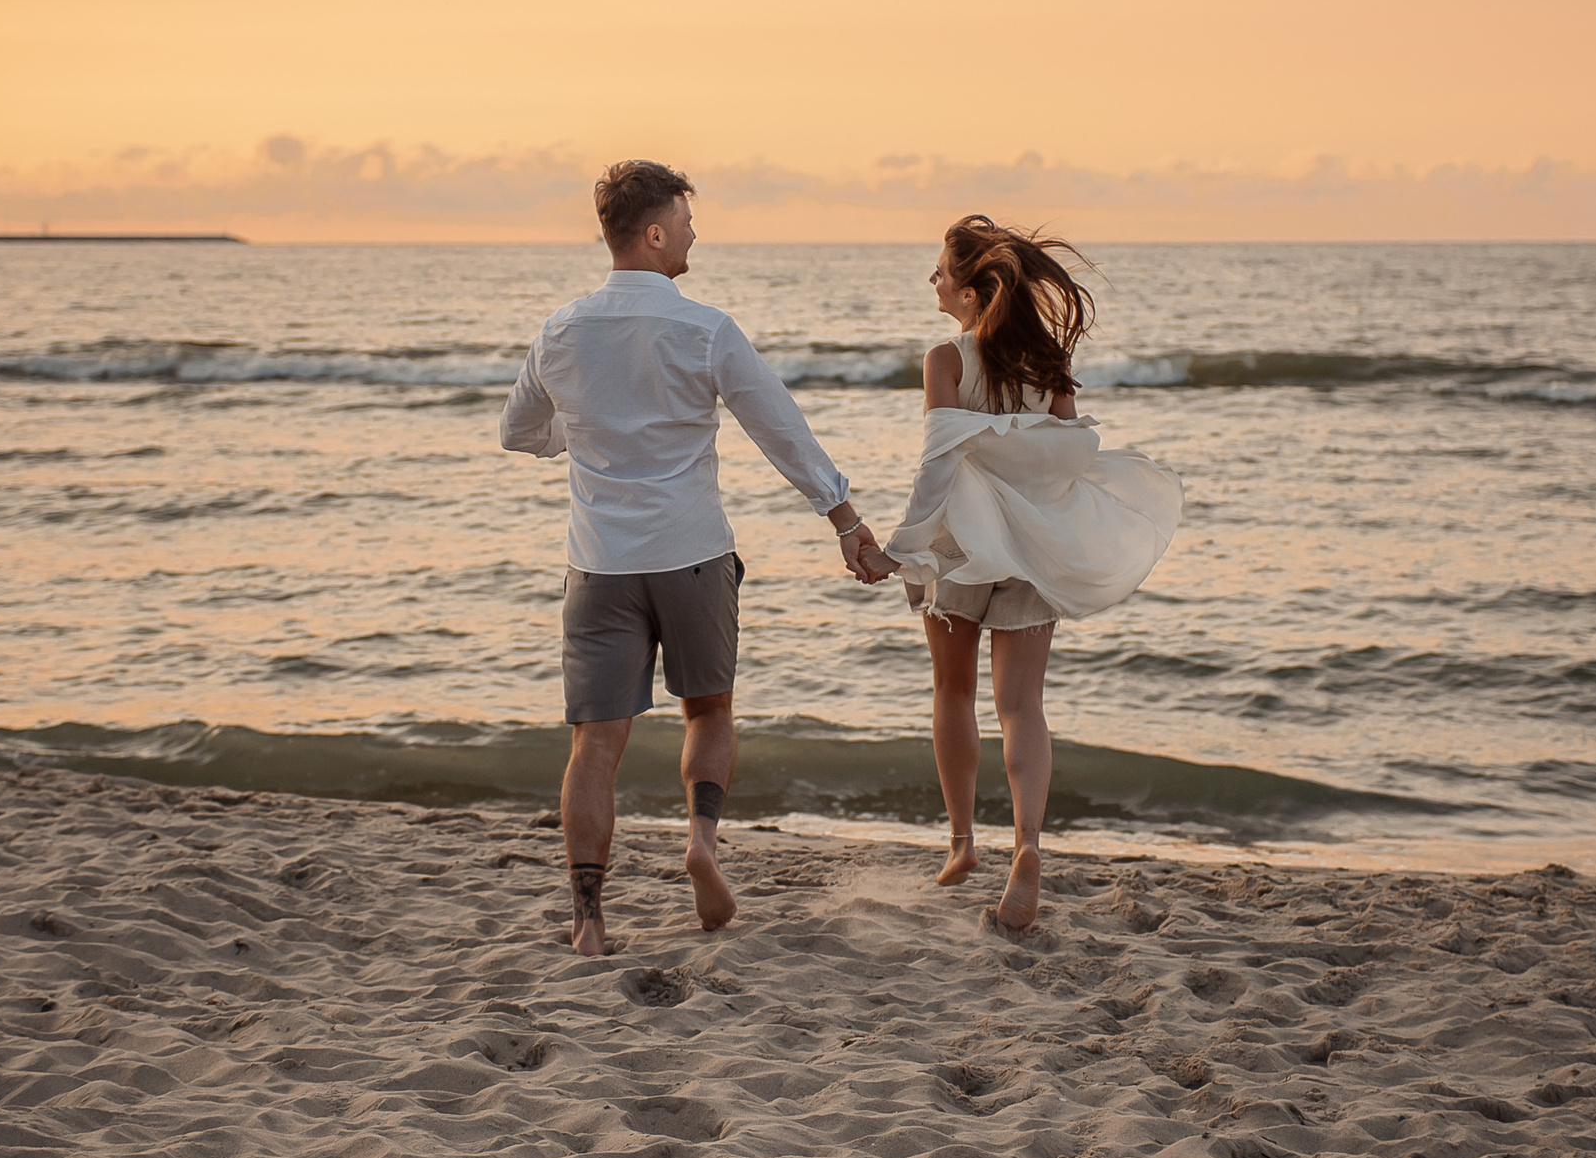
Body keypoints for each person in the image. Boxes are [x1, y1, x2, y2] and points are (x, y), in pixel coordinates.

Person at [502, 160, 888, 956]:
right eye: (683, 220)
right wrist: (844, 518)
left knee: (594, 744)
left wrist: (583, 431)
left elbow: (517, 430)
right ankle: (702, 843)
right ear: (652, 233)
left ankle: (587, 917)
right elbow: (779, 428)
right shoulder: (705, 328)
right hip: (691, 556)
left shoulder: (562, 329)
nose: (693, 233)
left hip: (599, 564)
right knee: (708, 711)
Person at [867, 215, 1182, 929]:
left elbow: (937, 462)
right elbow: (1070, 456)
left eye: (942, 270)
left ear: (974, 291)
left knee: (953, 691)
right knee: (1022, 705)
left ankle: (961, 844)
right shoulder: (1047, 363)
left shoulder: (945, 358)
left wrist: (899, 547)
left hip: (960, 544)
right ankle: (1028, 844)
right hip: (1031, 549)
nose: (933, 280)